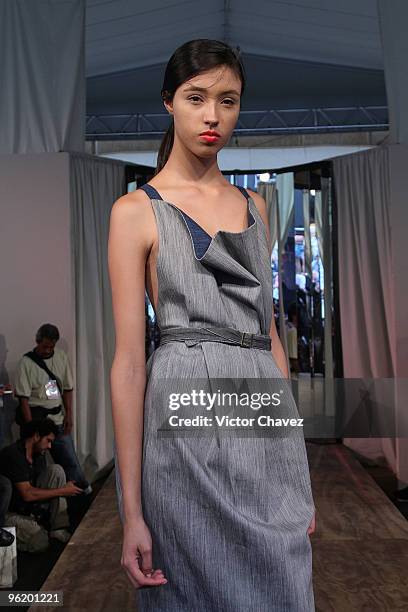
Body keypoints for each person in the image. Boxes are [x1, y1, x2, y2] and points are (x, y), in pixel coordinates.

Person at [108, 39, 316, 611]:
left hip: (259, 416)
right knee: (193, 590)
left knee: (284, 586)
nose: (212, 116)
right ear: (168, 102)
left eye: (228, 101)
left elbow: (269, 335)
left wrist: (295, 468)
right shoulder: (135, 212)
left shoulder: (256, 206)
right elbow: (128, 364)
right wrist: (131, 513)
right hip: (184, 426)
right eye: (196, 97)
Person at [14, 323, 92, 495]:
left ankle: (81, 499)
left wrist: (69, 415)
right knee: (38, 469)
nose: (48, 350)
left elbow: (67, 389)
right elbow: (23, 400)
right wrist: (31, 430)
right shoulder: (26, 363)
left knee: (71, 462)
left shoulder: (61, 358)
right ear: (37, 341)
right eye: (45, 347)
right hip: (38, 423)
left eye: (51, 347)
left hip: (57, 420)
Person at [0, 419, 84, 552]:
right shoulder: (14, 455)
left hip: (26, 508)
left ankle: (57, 528)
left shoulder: (38, 454)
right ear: (37, 436)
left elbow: (36, 486)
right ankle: (13, 542)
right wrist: (62, 491)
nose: (50, 446)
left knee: (56, 470)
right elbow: (27, 494)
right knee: (41, 543)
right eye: (48, 440)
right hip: (8, 514)